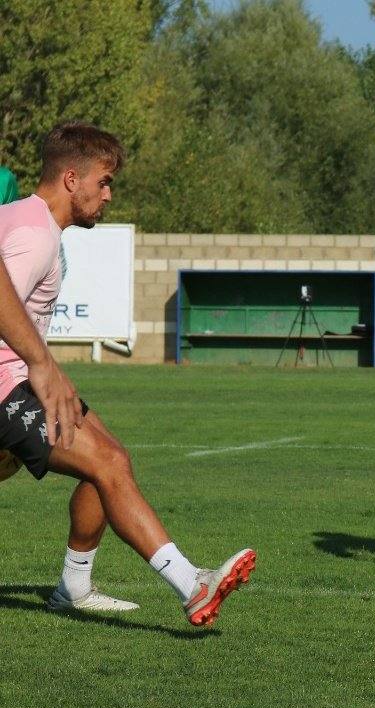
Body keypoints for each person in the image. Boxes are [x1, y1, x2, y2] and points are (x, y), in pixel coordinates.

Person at [0, 121, 255, 625]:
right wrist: (40, 364)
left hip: (20, 380)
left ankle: (74, 585)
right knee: (109, 464)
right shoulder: (33, 234)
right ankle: (193, 584)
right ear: (71, 178)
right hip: (7, 386)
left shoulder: (30, 222)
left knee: (111, 462)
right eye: (104, 181)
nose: (109, 195)